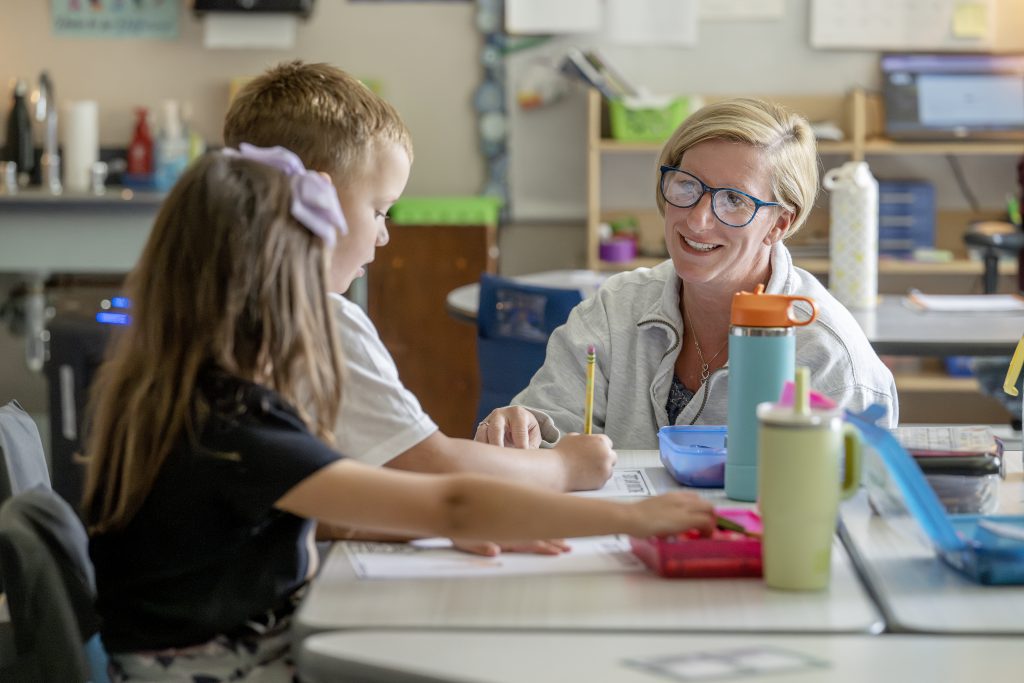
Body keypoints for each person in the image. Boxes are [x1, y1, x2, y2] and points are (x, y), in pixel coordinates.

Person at [82, 147, 716, 681]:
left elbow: (327, 514)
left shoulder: (173, 395)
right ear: (282, 294)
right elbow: (451, 500)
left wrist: (423, 527)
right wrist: (633, 518)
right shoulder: (235, 425)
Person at [221, 64, 615, 551]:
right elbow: (435, 465)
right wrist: (564, 467)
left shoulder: (218, 304)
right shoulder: (315, 322)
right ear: (316, 201)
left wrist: (455, 523)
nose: (384, 234)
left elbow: (298, 507)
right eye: (379, 210)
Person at [476, 98, 898, 450]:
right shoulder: (615, 308)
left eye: (734, 200)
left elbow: (851, 507)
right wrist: (522, 429)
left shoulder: (826, 354)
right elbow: (549, 426)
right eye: (687, 185)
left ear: (779, 224)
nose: (696, 221)